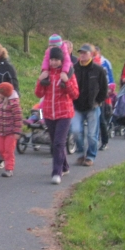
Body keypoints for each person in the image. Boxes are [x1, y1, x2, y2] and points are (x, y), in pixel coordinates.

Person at [34, 47, 79, 185]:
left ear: (61, 61)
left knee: (59, 143)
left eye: (56, 60)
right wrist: (40, 80)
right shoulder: (46, 74)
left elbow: (75, 94)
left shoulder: (68, 74)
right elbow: (38, 94)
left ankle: (56, 172)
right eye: (52, 60)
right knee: (55, 143)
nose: (53, 62)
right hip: (49, 113)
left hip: (64, 113)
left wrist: (67, 82)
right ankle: (64, 166)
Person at [71, 44, 108, 167]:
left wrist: (98, 101)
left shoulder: (98, 70)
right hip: (77, 105)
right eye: (81, 53)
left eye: (85, 53)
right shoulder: (74, 68)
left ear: (91, 54)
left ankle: (90, 156)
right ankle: (81, 154)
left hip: (93, 106)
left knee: (92, 134)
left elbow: (104, 88)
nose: (82, 55)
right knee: (76, 131)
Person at [0, 82, 22, 178]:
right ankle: (7, 161)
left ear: (5, 93)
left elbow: (18, 118)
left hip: (11, 132)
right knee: (0, 148)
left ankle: (9, 168)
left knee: (9, 150)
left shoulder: (14, 103)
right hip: (1, 131)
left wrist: (17, 131)